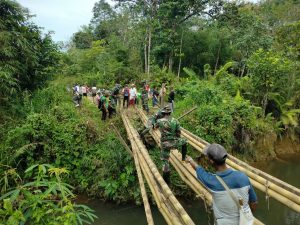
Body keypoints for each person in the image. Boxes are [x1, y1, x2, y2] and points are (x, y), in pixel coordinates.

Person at [185, 144, 257, 225]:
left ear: (211, 161)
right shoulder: (243, 177)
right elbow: (254, 202)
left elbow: (200, 170)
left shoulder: (211, 181)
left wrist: (191, 160)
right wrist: (245, 216)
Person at [154, 105, 187, 184]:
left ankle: (167, 182)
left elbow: (154, 127)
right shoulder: (175, 121)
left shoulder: (159, 121)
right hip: (174, 143)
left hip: (165, 144)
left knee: (165, 162)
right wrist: (176, 139)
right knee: (185, 141)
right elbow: (178, 133)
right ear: (170, 113)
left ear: (163, 113)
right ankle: (183, 158)